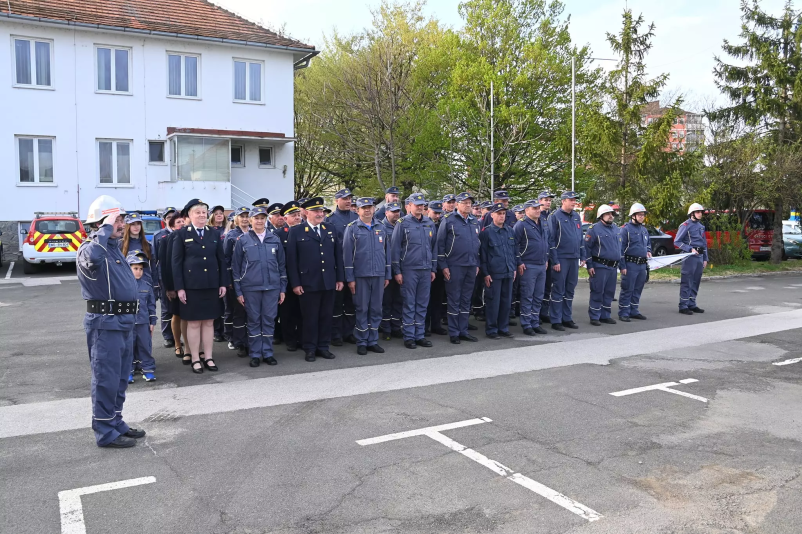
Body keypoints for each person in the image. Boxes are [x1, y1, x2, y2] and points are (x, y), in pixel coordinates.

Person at [77, 195, 144, 448]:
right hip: (105, 324)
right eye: (117, 220)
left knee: (120, 378)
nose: (122, 224)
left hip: (123, 322)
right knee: (105, 378)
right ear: (101, 223)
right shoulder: (90, 248)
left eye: (122, 219)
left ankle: (115, 421)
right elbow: (92, 259)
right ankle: (105, 431)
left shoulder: (113, 248)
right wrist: (105, 228)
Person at [171, 199, 228, 374]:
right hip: (191, 286)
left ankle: (209, 357)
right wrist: (179, 287)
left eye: (204, 212)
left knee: (209, 323)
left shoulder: (213, 233)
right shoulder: (181, 234)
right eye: (198, 212)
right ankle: (195, 358)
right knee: (194, 324)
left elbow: (221, 259)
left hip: (211, 285)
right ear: (190, 215)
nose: (202, 215)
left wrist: (223, 283)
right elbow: (176, 263)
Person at [287, 197, 344, 362]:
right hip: (308, 283)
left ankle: (323, 347)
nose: (320, 214)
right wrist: (296, 283)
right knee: (310, 318)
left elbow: (337, 256)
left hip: (328, 280)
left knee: (326, 316)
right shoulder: (296, 231)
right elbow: (292, 261)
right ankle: (310, 348)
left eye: (321, 211)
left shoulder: (330, 229)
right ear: (306, 212)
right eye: (316, 211)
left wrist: (340, 278)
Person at [232, 206, 287, 367]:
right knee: (254, 321)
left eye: (262, 218)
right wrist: (238, 291)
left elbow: (282, 266)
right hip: (250, 288)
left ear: (266, 220)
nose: (259, 221)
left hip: (272, 288)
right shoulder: (243, 240)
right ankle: (255, 354)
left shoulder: (274, 239)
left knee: (269, 320)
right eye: (256, 218)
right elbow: (236, 268)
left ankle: (268, 353)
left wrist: (282, 289)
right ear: (251, 220)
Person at [343, 197, 391, 355]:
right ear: (357, 210)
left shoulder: (381, 227)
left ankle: (373, 340)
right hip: (360, 275)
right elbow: (347, 256)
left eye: (370, 207)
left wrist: (387, 274)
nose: (367, 210)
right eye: (364, 208)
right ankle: (362, 341)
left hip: (378, 274)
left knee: (376, 309)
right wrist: (350, 278)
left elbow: (387, 253)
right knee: (362, 308)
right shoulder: (352, 228)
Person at [391, 193, 438, 349]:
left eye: (422, 204)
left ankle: (420, 335)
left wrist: (433, 268)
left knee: (422, 303)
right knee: (410, 303)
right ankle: (409, 336)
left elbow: (434, 248)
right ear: (409, 206)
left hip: (425, 270)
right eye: (416, 204)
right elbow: (395, 249)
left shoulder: (429, 223)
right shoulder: (402, 223)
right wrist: (397, 271)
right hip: (409, 269)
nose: (420, 207)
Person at [437, 192, 481, 344]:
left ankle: (463, 330)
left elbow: (477, 245)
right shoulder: (448, 220)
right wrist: (443, 266)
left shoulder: (474, 221)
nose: (468, 205)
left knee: (466, 299)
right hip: (454, 265)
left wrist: (477, 263)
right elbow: (440, 245)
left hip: (470, 265)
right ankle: (454, 332)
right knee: (454, 299)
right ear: (457, 204)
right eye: (465, 203)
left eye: (470, 203)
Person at [547, 191, 586, 331]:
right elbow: (550, 239)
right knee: (558, 288)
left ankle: (567, 317)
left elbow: (580, 238)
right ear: (563, 201)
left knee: (570, 289)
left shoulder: (576, 216)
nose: (574, 202)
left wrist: (583, 255)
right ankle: (556, 319)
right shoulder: (555, 217)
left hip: (574, 257)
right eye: (571, 200)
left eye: (574, 200)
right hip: (561, 258)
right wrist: (555, 260)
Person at [480, 202, 517, 339]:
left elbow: (513, 252)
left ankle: (503, 327)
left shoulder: (509, 231)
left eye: (504, 214)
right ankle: (491, 329)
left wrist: (513, 268)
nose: (502, 216)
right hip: (494, 273)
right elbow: (482, 255)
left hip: (507, 271)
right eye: (499, 214)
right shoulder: (487, 233)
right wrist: (485, 273)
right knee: (493, 303)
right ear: (492, 215)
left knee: (506, 302)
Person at [326, 188, 359, 346]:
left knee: (351, 301)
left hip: (355, 265)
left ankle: (349, 332)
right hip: (338, 266)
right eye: (344, 198)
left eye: (349, 198)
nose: (348, 201)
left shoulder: (356, 217)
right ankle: (335, 334)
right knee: (337, 303)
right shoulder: (330, 220)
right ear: (336, 200)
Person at [583, 204, 623, 326]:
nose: (611, 216)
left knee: (609, 292)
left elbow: (619, 249)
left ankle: (605, 315)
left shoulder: (616, 229)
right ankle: (594, 316)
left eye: (612, 214)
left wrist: (622, 265)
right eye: (607, 214)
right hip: (599, 266)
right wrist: (590, 265)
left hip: (612, 266)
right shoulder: (593, 229)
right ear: (601, 216)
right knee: (597, 291)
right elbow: (587, 248)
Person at [514, 200, 549, 335]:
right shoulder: (521, 225)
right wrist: (519, 261)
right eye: (534, 208)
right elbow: (515, 245)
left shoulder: (542, 223)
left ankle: (535, 321)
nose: (537, 210)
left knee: (538, 295)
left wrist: (546, 258)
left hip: (541, 264)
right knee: (527, 295)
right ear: (527, 210)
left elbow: (546, 242)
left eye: (538, 208)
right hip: (528, 264)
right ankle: (526, 323)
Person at [274, 201, 304, 352]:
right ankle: (290, 339)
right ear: (285, 219)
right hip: (286, 279)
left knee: (302, 311)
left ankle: (301, 337)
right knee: (287, 312)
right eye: (294, 215)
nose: (298, 218)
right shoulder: (278, 235)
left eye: (298, 215)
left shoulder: (305, 231)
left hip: (304, 278)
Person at [160, 211, 189, 363]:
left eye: (183, 222)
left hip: (189, 284)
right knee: (176, 315)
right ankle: (178, 344)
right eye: (178, 223)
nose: (182, 225)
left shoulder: (189, 238)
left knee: (190, 317)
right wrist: (169, 287)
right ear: (171, 225)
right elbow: (165, 266)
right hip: (174, 285)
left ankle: (191, 346)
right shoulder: (165, 240)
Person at [223, 207, 250, 357]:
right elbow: (226, 259)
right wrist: (230, 280)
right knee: (239, 312)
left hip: (253, 280)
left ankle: (250, 341)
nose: (245, 219)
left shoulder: (254, 233)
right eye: (242, 216)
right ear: (236, 219)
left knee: (251, 313)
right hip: (237, 279)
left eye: (247, 216)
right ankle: (239, 342)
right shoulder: (232, 235)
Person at [126, 252, 157, 383]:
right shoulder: (123, 286)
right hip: (127, 323)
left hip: (143, 322)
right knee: (128, 347)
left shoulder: (146, 286)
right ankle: (128, 371)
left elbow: (151, 305)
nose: (139, 272)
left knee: (145, 345)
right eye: (135, 268)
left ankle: (148, 369)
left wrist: (152, 321)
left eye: (141, 269)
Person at [618, 203, 651, 322]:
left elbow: (648, 244)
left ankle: (634, 310)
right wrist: (622, 265)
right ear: (633, 216)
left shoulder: (644, 230)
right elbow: (620, 249)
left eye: (643, 215)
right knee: (628, 288)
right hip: (630, 263)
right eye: (639, 215)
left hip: (642, 264)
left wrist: (648, 251)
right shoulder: (625, 229)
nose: (642, 217)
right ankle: (623, 312)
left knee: (638, 288)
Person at [675, 203, 708, 315]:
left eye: (701, 212)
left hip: (700, 256)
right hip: (689, 257)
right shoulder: (685, 225)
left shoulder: (701, 226)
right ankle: (683, 305)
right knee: (687, 281)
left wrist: (705, 258)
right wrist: (689, 249)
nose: (700, 214)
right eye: (698, 212)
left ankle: (692, 303)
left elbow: (704, 243)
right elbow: (677, 241)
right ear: (692, 213)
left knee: (696, 281)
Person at [152, 207, 177, 348]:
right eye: (168, 217)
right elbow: (154, 260)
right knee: (166, 308)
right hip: (164, 277)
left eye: (174, 217)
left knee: (180, 309)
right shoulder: (159, 235)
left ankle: (178, 335)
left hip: (179, 277)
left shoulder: (181, 233)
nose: (171, 219)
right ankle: (168, 336)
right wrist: (156, 281)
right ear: (164, 220)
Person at [379, 201, 404, 340]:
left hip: (400, 268)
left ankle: (396, 326)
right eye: (393, 211)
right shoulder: (381, 227)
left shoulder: (402, 226)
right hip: (386, 270)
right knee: (386, 300)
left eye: (397, 211)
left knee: (398, 300)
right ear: (386, 212)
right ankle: (386, 328)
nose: (396, 214)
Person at [425, 201, 448, 336]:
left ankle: (436, 324)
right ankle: (425, 326)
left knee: (438, 298)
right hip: (427, 266)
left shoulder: (442, 224)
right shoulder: (425, 224)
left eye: (439, 213)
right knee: (425, 299)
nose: (437, 216)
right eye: (435, 212)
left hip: (440, 266)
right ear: (428, 211)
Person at [538, 191, 555, 324]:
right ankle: (536, 313)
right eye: (545, 199)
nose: (548, 202)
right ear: (539, 201)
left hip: (549, 255)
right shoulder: (537, 216)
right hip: (538, 258)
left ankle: (544, 311)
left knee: (547, 285)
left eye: (549, 200)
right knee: (538, 287)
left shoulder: (552, 216)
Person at [121, 213, 152, 280]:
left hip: (145, 283)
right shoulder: (120, 244)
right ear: (127, 226)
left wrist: (155, 284)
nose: (136, 227)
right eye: (133, 224)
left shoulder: (147, 245)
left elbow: (153, 266)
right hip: (127, 282)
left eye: (138, 223)